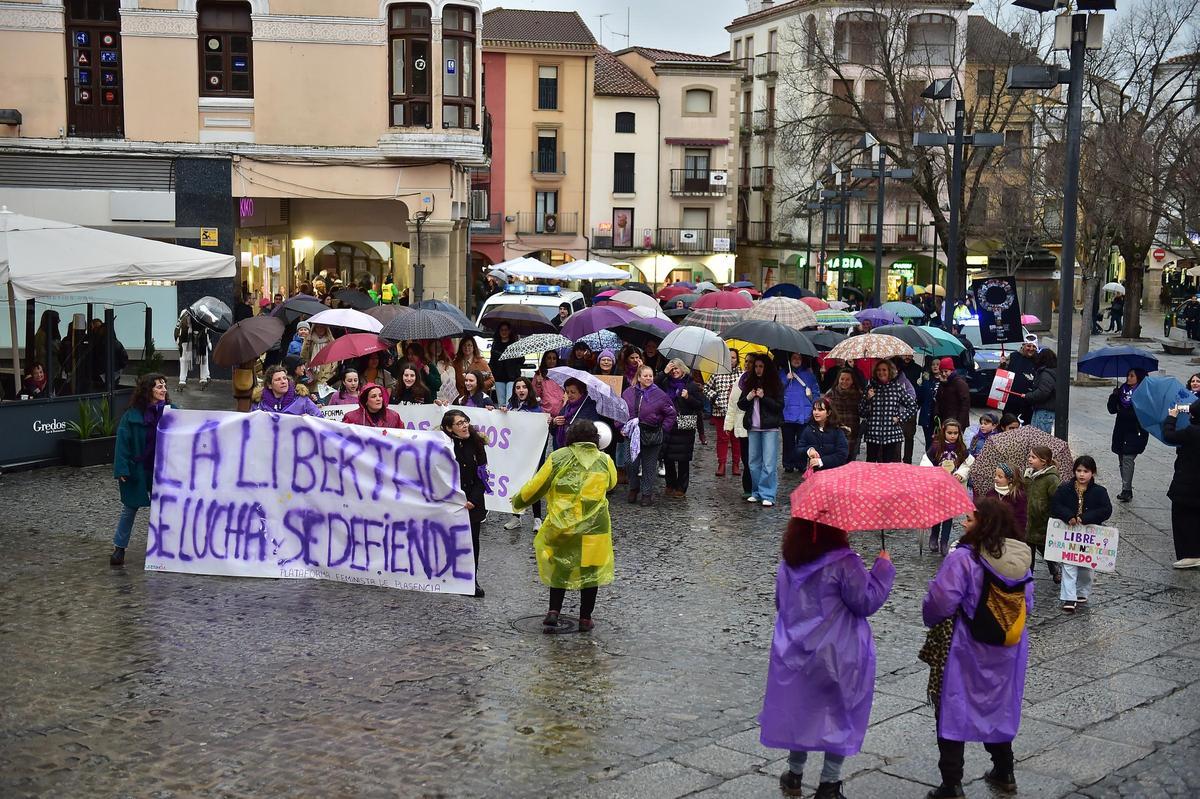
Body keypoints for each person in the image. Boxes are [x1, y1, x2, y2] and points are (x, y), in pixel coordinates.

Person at [761, 519, 894, 799]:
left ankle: (794, 775)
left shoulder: (789, 563)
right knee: (841, 712)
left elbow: (780, 603)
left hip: (797, 652)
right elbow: (865, 602)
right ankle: (829, 784)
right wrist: (882, 569)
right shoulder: (846, 563)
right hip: (840, 653)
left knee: (802, 711)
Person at [922, 497, 1033, 799]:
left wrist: (929, 615)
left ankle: (952, 784)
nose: (963, 523)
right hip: (1008, 651)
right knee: (998, 707)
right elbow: (1028, 604)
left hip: (966, 649)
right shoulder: (1021, 561)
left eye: (969, 519)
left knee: (953, 708)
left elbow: (940, 603)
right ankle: (1004, 770)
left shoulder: (964, 559)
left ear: (982, 523)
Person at [512, 419, 617, 633]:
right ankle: (585, 618)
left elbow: (536, 487)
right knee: (591, 571)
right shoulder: (605, 461)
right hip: (595, 528)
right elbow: (612, 483)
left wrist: (518, 501)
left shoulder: (557, 457)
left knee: (560, 565)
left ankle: (553, 611)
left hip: (563, 525)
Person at [109, 373, 173, 566]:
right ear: (149, 390)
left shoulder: (172, 412)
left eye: (164, 386)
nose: (163, 390)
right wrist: (121, 469)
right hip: (138, 469)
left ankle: (165, 547)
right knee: (129, 508)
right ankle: (119, 548)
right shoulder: (131, 416)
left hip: (161, 470)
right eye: (159, 387)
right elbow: (123, 442)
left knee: (164, 509)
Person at [1050, 455, 1112, 612]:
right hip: (1069, 534)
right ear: (1074, 471)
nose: (1082, 474)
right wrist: (1068, 516)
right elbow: (1056, 505)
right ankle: (1069, 598)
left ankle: (1082, 591)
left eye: (1086, 471)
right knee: (1069, 565)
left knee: (1086, 568)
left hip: (1089, 536)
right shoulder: (1064, 489)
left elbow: (1106, 510)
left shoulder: (1099, 491)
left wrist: (1085, 517)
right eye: (1079, 471)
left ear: (1093, 473)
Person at [441, 410, 487, 598]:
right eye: (459, 423)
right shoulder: (444, 446)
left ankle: (470, 579)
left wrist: (472, 500)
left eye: (465, 421)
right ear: (449, 428)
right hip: (451, 502)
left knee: (472, 542)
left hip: (472, 503)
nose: (464, 425)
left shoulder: (476, 443)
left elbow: (483, 475)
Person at [622, 365, 676, 507]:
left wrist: (663, 429)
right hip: (632, 433)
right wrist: (620, 426)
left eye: (650, 376)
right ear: (639, 377)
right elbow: (620, 411)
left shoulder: (660, 395)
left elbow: (671, 413)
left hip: (652, 434)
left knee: (649, 465)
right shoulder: (628, 393)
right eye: (645, 376)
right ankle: (634, 487)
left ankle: (647, 493)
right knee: (630, 462)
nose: (648, 378)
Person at [738, 353, 785, 507]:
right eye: (756, 366)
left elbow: (779, 406)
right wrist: (750, 397)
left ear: (767, 368)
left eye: (761, 366)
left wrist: (764, 398)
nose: (758, 369)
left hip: (769, 427)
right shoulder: (748, 382)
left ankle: (768, 494)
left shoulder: (775, 384)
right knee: (753, 462)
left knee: (769, 462)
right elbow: (741, 405)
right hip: (753, 427)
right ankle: (756, 491)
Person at [503, 377, 549, 531]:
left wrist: (547, 421)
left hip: (532, 454)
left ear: (529, 390)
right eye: (517, 387)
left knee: (533, 485)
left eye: (524, 387)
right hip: (515, 453)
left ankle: (537, 518)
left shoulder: (537, 409)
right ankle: (516, 516)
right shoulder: (511, 406)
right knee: (516, 483)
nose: (521, 390)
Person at [922, 420, 973, 554]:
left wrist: (960, 474)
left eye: (955, 433)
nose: (952, 436)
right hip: (938, 485)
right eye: (950, 433)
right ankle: (934, 536)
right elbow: (926, 461)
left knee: (949, 514)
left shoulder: (961, 449)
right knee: (937, 512)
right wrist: (934, 474)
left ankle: (944, 541)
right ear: (944, 432)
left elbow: (968, 463)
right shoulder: (936, 447)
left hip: (953, 486)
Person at [657, 358, 703, 497]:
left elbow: (700, 405)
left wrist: (688, 397)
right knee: (667, 456)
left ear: (683, 369)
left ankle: (681, 487)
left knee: (683, 458)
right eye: (672, 369)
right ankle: (670, 483)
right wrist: (663, 373)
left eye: (677, 368)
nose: (674, 371)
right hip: (669, 422)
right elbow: (654, 386)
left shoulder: (692, 385)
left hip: (685, 422)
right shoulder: (665, 382)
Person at [1164, 401, 1200, 568]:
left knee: (1182, 519)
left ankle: (1190, 554)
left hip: (1187, 484)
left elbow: (1169, 436)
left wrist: (1171, 418)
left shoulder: (1192, 431)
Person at [859, 360, 917, 463]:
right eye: (878, 370)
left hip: (891, 434)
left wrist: (900, 418)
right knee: (870, 464)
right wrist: (868, 400)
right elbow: (862, 412)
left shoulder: (897, 388)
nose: (881, 372)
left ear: (890, 371)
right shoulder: (870, 388)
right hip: (873, 434)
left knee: (887, 466)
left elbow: (912, 406)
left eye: (884, 370)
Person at [1107, 368, 1149, 502]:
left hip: (1136, 432)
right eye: (1127, 375)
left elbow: (1141, 414)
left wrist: (1124, 412)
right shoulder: (1122, 391)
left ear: (1139, 378)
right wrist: (1114, 396)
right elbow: (1112, 410)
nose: (1128, 378)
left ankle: (1126, 490)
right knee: (1122, 459)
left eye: (1132, 375)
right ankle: (1126, 487)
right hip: (1121, 431)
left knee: (1127, 458)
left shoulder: (1144, 394)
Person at [1024, 445, 1062, 582]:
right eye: (1029, 456)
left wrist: (1052, 515)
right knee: (1028, 551)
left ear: (1044, 461)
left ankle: (1054, 569)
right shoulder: (1028, 475)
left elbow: (1057, 499)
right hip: (1029, 519)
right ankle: (1028, 576)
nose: (1029, 459)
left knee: (1045, 549)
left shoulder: (1051, 479)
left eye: (1033, 457)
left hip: (1043, 521)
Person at [780, 353, 821, 473]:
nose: (797, 360)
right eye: (794, 358)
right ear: (790, 359)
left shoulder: (809, 375)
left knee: (802, 441)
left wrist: (813, 401)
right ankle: (788, 464)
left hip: (804, 413)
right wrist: (786, 380)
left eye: (799, 358)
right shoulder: (783, 374)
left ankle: (801, 463)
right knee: (788, 442)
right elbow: (777, 390)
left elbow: (816, 392)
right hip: (787, 414)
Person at [704, 349, 742, 477]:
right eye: (728, 357)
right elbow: (706, 388)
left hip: (737, 412)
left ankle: (736, 464)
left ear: (737, 359)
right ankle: (722, 464)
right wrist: (715, 397)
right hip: (720, 411)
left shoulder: (742, 374)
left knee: (736, 438)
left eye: (733, 358)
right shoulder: (716, 373)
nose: (731, 360)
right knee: (722, 438)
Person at [725, 356, 754, 498]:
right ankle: (747, 487)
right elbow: (733, 404)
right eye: (746, 361)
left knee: (756, 458)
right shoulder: (740, 380)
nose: (747, 364)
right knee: (746, 458)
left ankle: (758, 486)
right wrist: (728, 424)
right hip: (742, 424)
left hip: (756, 425)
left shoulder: (761, 381)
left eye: (751, 362)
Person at [797, 398, 849, 474]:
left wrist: (821, 461)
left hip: (834, 473)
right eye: (814, 409)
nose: (816, 413)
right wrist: (809, 450)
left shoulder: (837, 431)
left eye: (820, 410)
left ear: (828, 413)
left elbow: (842, 454)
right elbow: (799, 450)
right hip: (816, 474)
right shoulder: (808, 430)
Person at [251, 365, 323, 416]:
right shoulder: (259, 405)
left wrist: (309, 419)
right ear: (269, 385)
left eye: (284, 378)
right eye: (278, 379)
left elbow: (320, 420)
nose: (283, 382)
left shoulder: (302, 400)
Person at [982, 463, 1028, 541]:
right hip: (991, 534)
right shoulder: (991, 493)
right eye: (995, 475)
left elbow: (1021, 519)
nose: (996, 478)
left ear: (1010, 479)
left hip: (1010, 536)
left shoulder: (1018, 496)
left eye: (1000, 477)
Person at [1000, 336, 1039, 424]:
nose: (1031, 349)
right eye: (1028, 346)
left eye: (1034, 347)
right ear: (1023, 346)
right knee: (1009, 425)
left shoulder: (1038, 359)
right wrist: (1002, 365)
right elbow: (1002, 374)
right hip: (1011, 400)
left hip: (1028, 401)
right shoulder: (1013, 356)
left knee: (1027, 428)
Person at [826, 368, 863, 461]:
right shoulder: (831, 394)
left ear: (852, 381)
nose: (844, 382)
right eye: (842, 379)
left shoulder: (858, 394)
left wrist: (868, 399)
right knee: (837, 459)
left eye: (847, 379)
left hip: (853, 432)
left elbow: (863, 412)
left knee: (850, 460)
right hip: (836, 432)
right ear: (838, 380)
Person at [552, 378, 600, 449]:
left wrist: (573, 427)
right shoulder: (567, 406)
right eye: (567, 392)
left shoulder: (590, 407)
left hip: (580, 449)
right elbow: (553, 431)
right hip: (562, 449)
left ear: (581, 392)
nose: (569, 395)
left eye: (573, 392)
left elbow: (592, 431)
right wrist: (554, 422)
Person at [1020, 348, 1057, 434]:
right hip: (1045, 410)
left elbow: (1043, 392)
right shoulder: (1053, 372)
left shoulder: (1046, 374)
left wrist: (1028, 396)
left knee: (1040, 439)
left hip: (1044, 411)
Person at [174, 310, 212, 390]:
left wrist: (208, 341)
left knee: (203, 355)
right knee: (185, 358)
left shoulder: (204, 317)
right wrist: (177, 341)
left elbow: (207, 330)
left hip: (201, 337)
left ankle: (204, 377)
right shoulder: (185, 318)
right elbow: (177, 330)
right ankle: (183, 379)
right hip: (186, 337)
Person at [488, 321, 522, 407]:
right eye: (502, 330)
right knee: (501, 403)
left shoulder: (515, 344)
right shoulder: (495, 344)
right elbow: (492, 361)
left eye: (506, 330)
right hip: (499, 377)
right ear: (499, 331)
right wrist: (491, 373)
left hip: (512, 376)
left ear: (509, 331)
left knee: (509, 402)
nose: (504, 332)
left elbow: (521, 360)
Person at [934, 357, 971, 430]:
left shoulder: (960, 383)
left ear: (951, 370)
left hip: (956, 421)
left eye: (946, 371)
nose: (944, 374)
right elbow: (939, 400)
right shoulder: (944, 382)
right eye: (942, 372)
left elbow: (965, 405)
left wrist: (959, 424)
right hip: (945, 420)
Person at [533, 350, 564, 415]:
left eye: (554, 358)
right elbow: (535, 395)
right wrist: (538, 384)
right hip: (545, 412)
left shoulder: (561, 374)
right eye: (549, 358)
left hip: (561, 411)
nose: (552, 361)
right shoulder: (539, 375)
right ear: (545, 360)